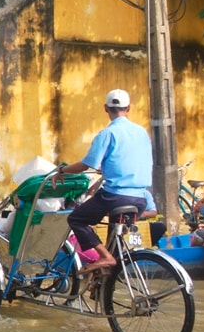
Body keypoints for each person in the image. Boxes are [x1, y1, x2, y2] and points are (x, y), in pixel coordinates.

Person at [62, 89, 151, 274]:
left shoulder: (108, 133)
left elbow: (86, 164)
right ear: (129, 108)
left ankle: (104, 256)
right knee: (114, 243)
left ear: (106, 108)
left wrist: (61, 171)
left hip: (115, 197)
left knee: (76, 218)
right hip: (141, 198)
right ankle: (102, 282)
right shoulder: (142, 132)